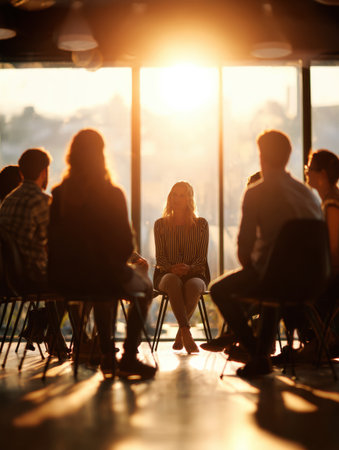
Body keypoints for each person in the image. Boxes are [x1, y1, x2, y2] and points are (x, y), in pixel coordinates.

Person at [208, 130, 323, 378]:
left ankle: (256, 354)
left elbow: (243, 251)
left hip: (275, 280)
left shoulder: (256, 192)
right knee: (272, 283)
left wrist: (258, 266)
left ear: (261, 156)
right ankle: (259, 350)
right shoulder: (308, 195)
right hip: (313, 283)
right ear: (288, 156)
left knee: (219, 289)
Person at [48, 128, 156, 380]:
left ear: (71, 156)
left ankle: (107, 353)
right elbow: (124, 246)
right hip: (103, 274)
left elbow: (52, 242)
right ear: (101, 155)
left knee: (103, 287)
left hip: (66, 280)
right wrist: (116, 263)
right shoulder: (112, 194)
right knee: (143, 289)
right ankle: (127, 356)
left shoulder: (59, 195)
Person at [0, 149, 68, 356]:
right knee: (76, 280)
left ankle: (47, 329)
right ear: (44, 172)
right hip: (32, 277)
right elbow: (58, 241)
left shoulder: (7, 201)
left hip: (8, 278)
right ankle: (59, 333)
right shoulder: (41, 201)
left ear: (21, 173)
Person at [154, 181, 209, 354]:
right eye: (174, 195)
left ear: (189, 198)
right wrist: (172, 269)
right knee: (172, 280)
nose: (177, 199)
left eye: (182, 195)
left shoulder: (201, 225)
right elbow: (160, 258)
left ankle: (181, 332)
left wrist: (189, 268)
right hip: (166, 274)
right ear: (170, 197)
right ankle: (185, 330)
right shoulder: (160, 225)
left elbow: (201, 259)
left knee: (192, 285)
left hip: (196, 274)